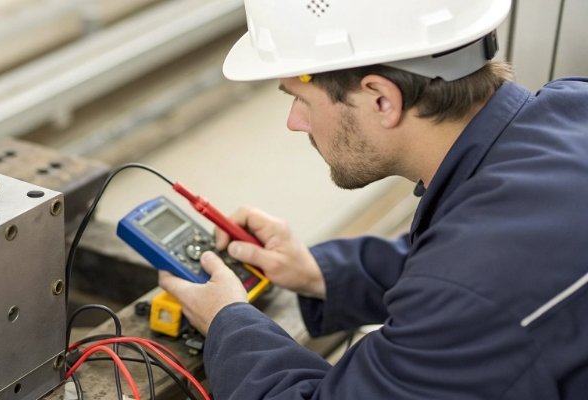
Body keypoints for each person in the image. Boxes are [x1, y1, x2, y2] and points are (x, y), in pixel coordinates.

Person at [158, 0, 588, 398]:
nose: (294, 122)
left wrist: (227, 321)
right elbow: (482, 265)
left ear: (382, 99)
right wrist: (320, 274)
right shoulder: (572, 105)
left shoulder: (471, 286)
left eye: (301, 99)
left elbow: (470, 286)